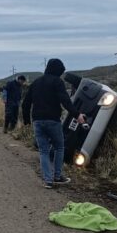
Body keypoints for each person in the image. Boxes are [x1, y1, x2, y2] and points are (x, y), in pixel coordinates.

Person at [21, 59, 86, 189]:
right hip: (53, 120)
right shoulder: (57, 82)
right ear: (58, 70)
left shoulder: (36, 82)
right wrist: (77, 115)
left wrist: (27, 121)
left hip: (37, 121)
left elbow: (25, 104)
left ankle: (48, 180)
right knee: (59, 147)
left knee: (43, 151)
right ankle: (57, 176)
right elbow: (65, 101)